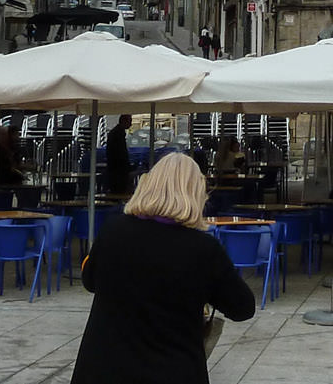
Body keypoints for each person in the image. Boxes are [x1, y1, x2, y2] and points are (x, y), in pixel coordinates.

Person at [72, 153, 254, 384]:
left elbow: (90, 281)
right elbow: (243, 308)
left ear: (149, 185)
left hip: (103, 368)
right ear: (196, 193)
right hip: (171, 369)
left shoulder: (113, 231)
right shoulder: (203, 249)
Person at [105, 115, 133, 196]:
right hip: (118, 170)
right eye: (129, 122)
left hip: (115, 168)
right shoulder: (118, 134)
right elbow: (120, 153)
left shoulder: (116, 132)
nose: (131, 124)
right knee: (119, 192)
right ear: (124, 121)